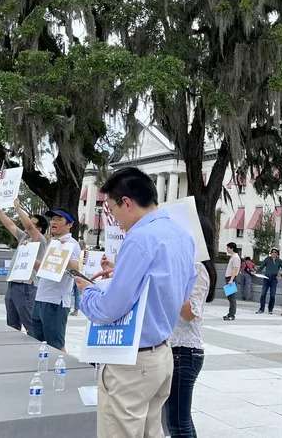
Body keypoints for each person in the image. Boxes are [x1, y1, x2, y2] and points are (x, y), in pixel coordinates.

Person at [75, 167, 195, 438]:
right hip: (162, 356)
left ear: (126, 202)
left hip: (130, 362)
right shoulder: (182, 235)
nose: (113, 219)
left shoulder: (139, 238)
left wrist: (88, 292)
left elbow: (110, 308)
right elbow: (182, 290)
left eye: (111, 209)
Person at [163, 262, 210, 436]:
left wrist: (170, 282)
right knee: (180, 420)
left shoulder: (196, 268)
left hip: (185, 352)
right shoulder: (180, 266)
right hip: (174, 350)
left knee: (178, 423)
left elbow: (189, 313)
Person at [0, 198, 49, 333]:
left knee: (30, 324)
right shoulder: (24, 237)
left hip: (26, 286)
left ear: (40, 228)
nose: (27, 225)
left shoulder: (40, 240)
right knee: (12, 324)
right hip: (13, 284)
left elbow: (29, 227)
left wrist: (18, 209)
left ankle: (36, 348)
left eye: (32, 222)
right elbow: (10, 225)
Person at [29, 208, 81, 350]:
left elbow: (76, 269)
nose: (53, 222)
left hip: (56, 302)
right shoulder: (52, 243)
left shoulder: (72, 244)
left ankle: (60, 369)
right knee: (37, 342)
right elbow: (44, 268)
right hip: (41, 297)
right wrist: (29, 257)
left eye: (59, 219)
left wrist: (64, 253)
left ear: (69, 224)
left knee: (55, 345)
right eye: (52, 219)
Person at [256, 248, 282, 314]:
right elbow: (261, 267)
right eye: (272, 252)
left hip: (274, 279)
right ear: (270, 253)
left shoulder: (279, 261)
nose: (273, 253)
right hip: (266, 278)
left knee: (272, 295)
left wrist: (281, 275)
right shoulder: (267, 259)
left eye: (275, 252)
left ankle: (270, 309)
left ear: (277, 254)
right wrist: (256, 271)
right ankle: (261, 309)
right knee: (263, 294)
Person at [223, 242, 240, 321]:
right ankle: (230, 313)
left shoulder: (236, 257)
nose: (227, 249)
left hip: (231, 279)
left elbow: (235, 269)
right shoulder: (233, 257)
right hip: (229, 278)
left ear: (232, 248)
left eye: (228, 248)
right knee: (230, 297)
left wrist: (231, 280)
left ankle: (232, 315)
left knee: (232, 298)